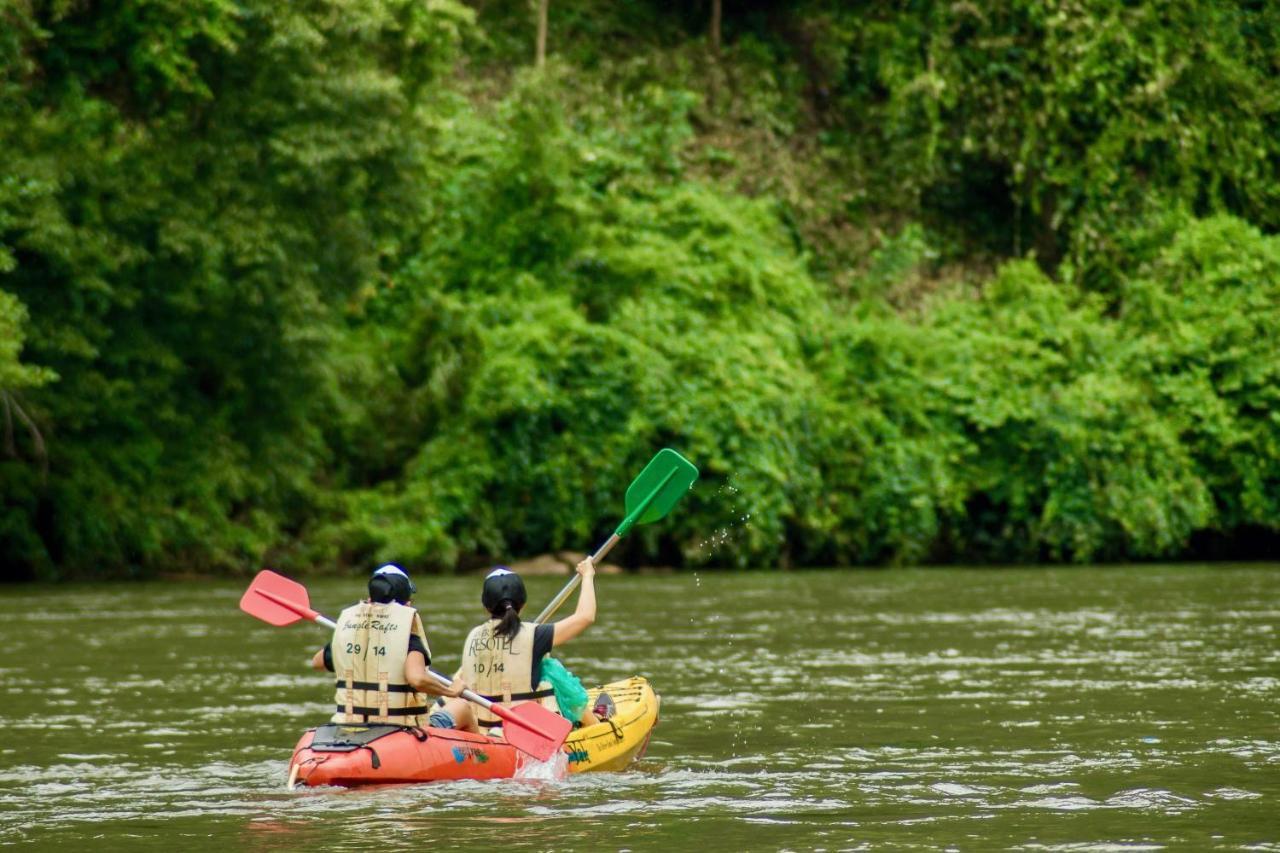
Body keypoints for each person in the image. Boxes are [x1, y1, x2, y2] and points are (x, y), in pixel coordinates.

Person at [429, 557, 601, 734]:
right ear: (523, 604)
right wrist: (587, 575)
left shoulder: (473, 636)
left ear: (486, 607)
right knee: (550, 671)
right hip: (521, 738)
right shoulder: (536, 635)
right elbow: (585, 616)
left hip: (480, 734)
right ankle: (594, 725)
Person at [311, 564, 464, 726]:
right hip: (398, 729)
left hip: (349, 726)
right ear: (406, 604)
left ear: (370, 600)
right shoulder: (408, 640)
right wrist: (451, 691)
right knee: (462, 707)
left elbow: (317, 662)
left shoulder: (350, 636)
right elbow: (417, 679)